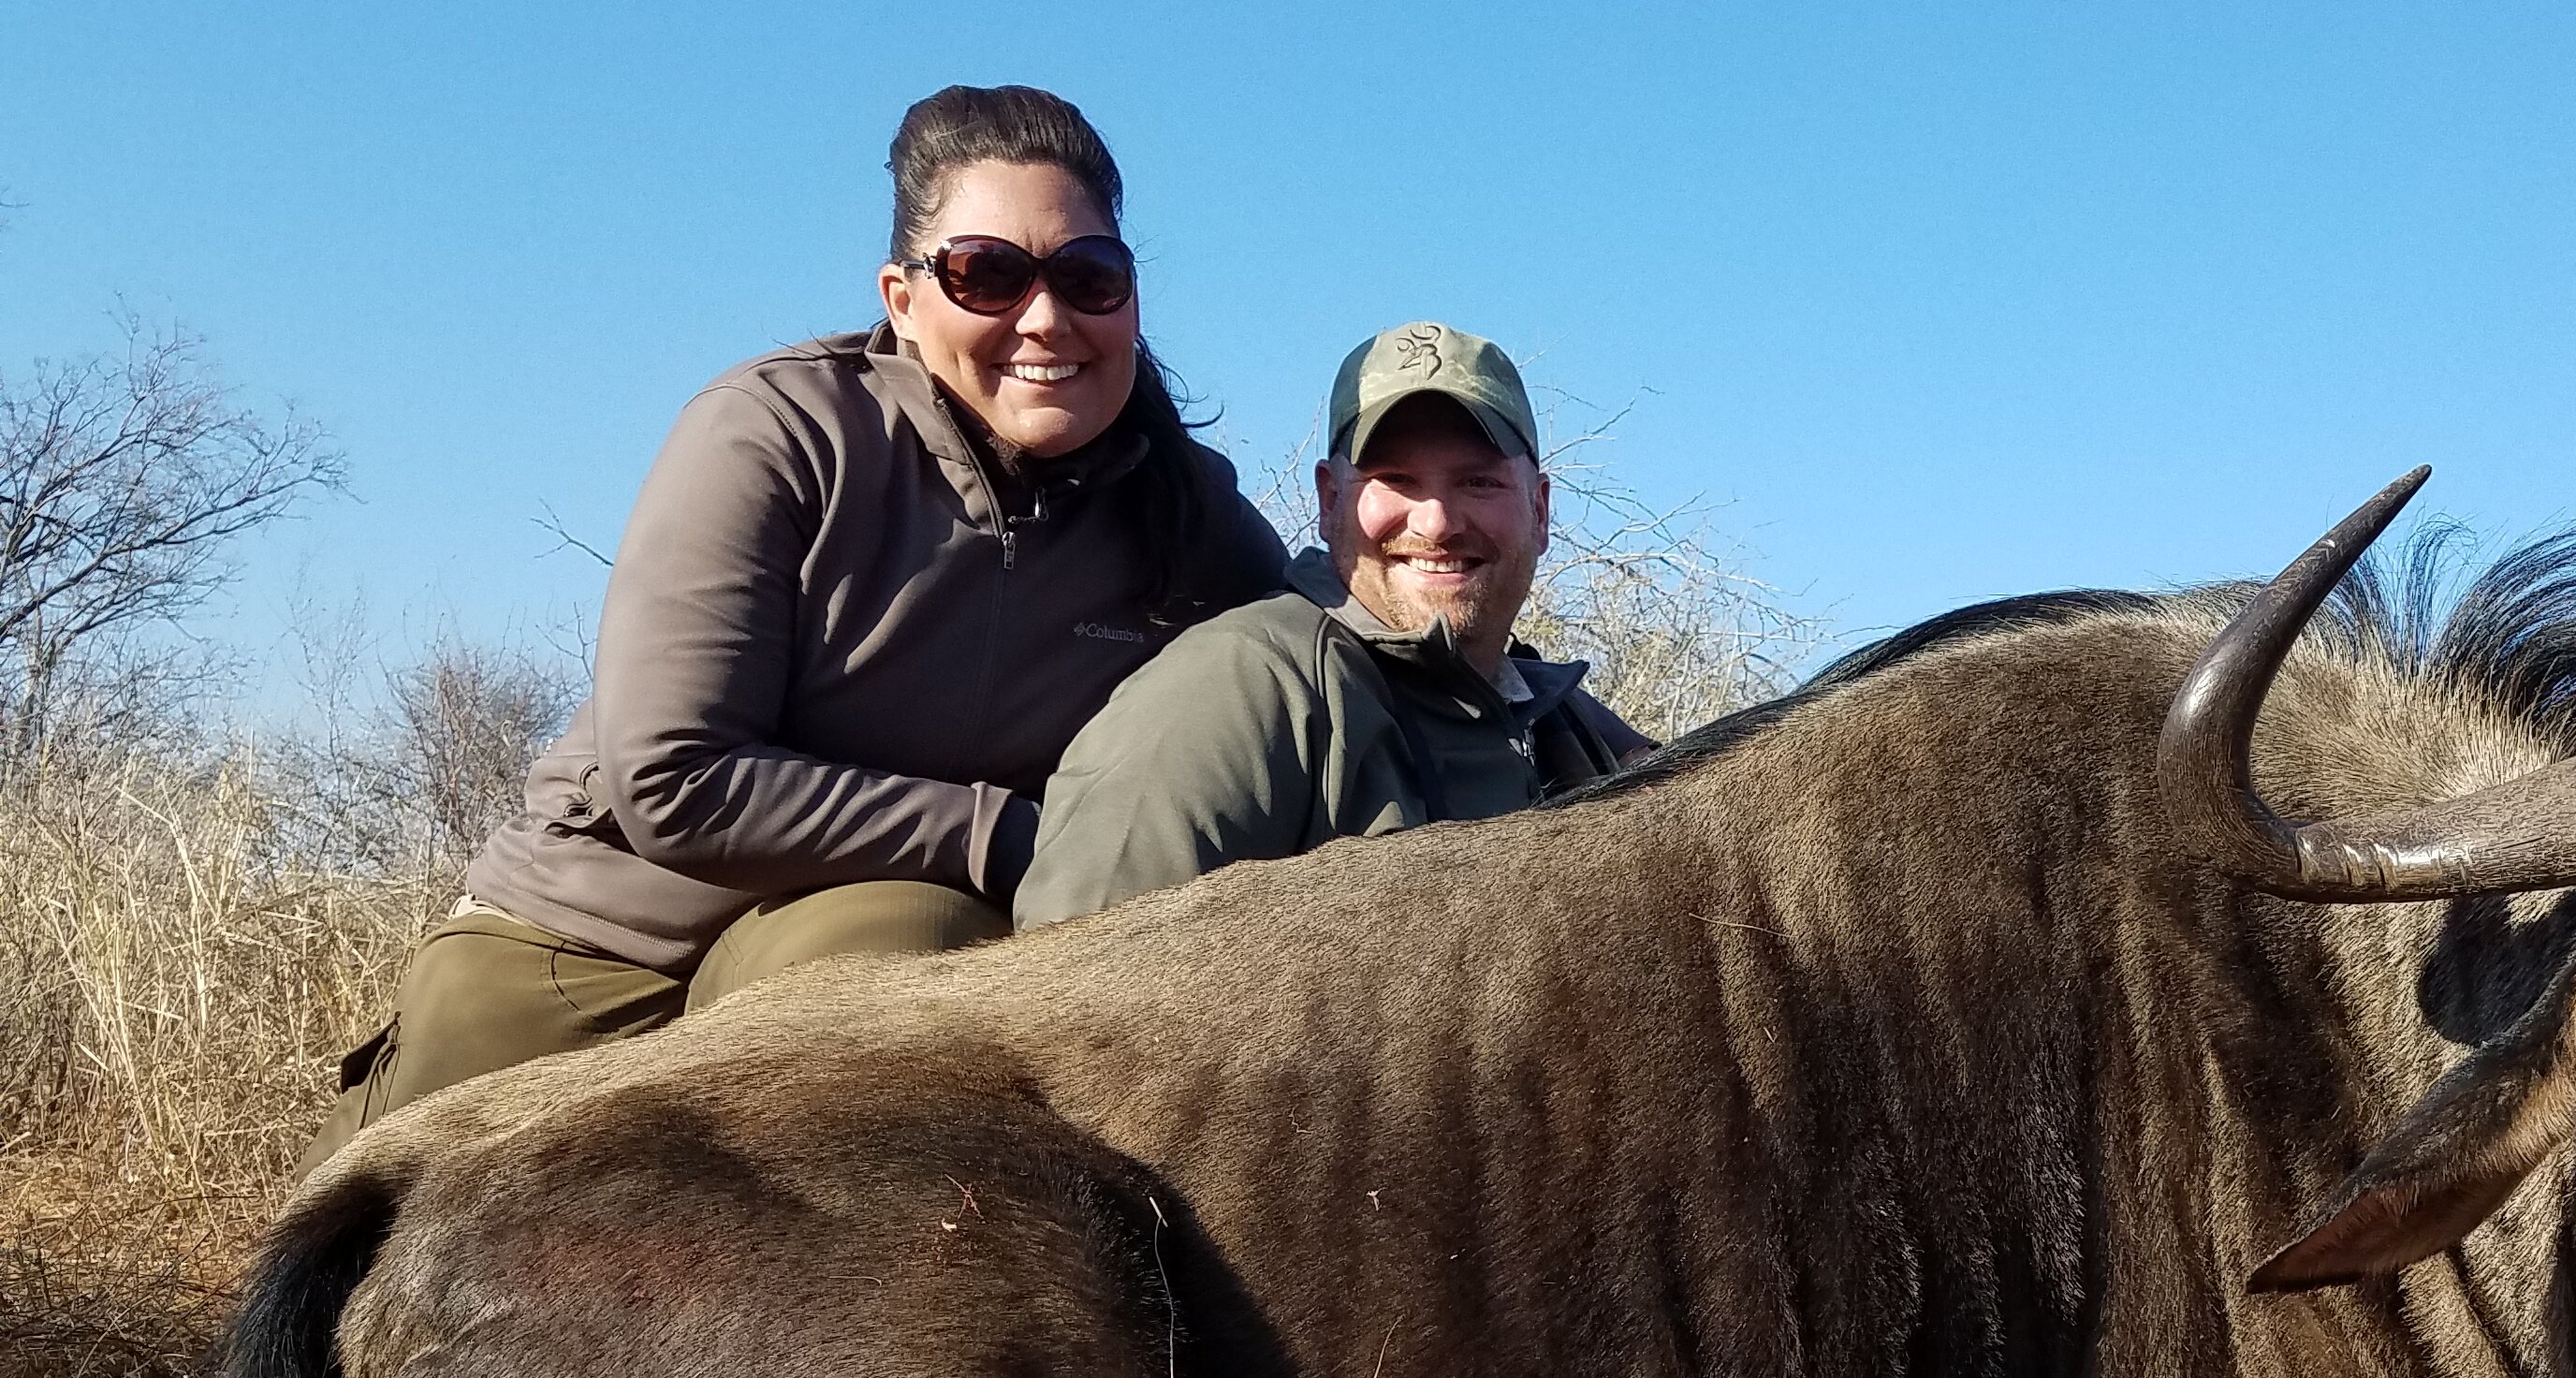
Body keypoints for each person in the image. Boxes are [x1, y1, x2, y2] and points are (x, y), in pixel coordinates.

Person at [315, 86, 1287, 1150]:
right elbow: (672, 782)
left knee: (909, 957)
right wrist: (1006, 836)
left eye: (1089, 278)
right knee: (367, 1264)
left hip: (869, 942)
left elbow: (1323, 669)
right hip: (605, 936)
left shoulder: (1187, 513)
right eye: (988, 274)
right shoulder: (775, 431)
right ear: (903, 297)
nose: (1046, 319)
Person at [1013, 321, 1648, 926]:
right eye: (1394, 480)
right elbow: (1076, 984)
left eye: (1478, 482)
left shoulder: (1566, 733)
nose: (1436, 522)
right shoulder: (1243, 684)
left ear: (1539, 510)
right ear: (1329, 500)